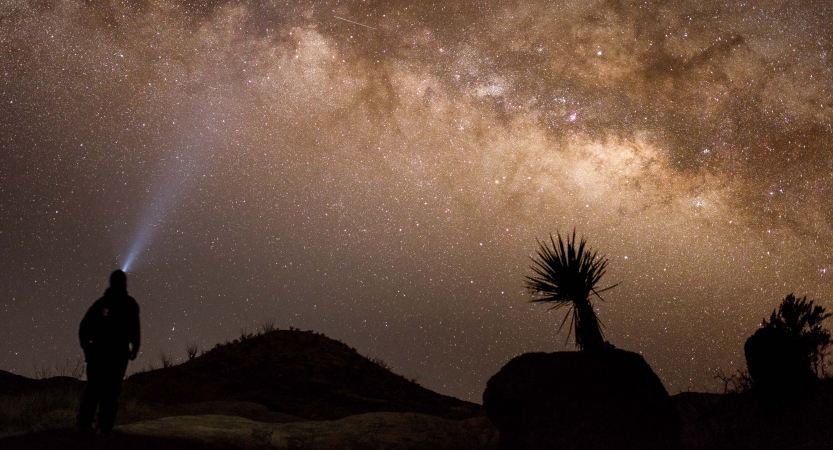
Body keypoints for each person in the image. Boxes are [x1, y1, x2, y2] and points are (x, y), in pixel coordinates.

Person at [76, 269, 140, 435]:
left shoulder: (101, 304)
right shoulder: (129, 304)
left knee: (96, 390)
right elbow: (135, 330)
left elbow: (84, 327)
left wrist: (87, 349)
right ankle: (103, 429)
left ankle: (85, 426)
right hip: (117, 356)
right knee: (110, 392)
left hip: (100, 355)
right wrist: (134, 349)